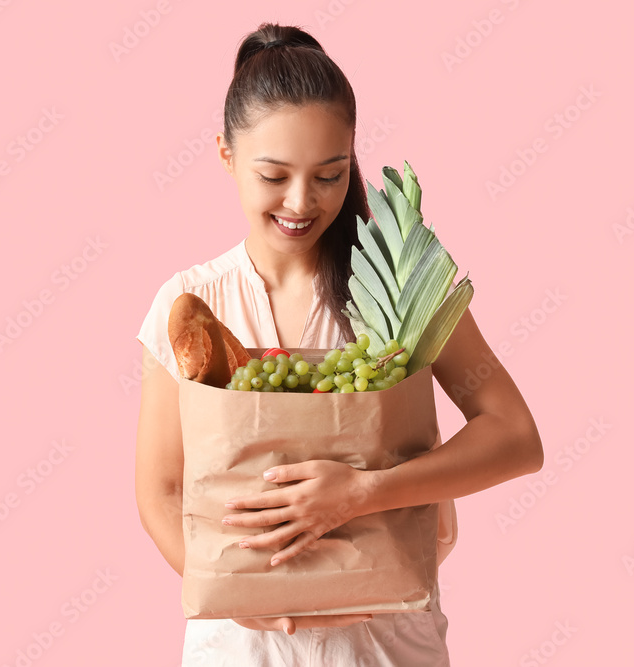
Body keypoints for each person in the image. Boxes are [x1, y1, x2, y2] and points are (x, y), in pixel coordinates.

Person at [135, 22, 544, 667]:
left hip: (384, 644)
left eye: (330, 175)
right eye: (273, 175)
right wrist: (248, 600)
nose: (302, 202)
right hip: (242, 648)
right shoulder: (192, 301)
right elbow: (159, 491)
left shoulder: (402, 288)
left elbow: (516, 437)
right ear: (224, 154)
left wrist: (364, 491)